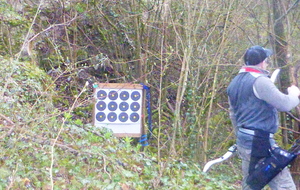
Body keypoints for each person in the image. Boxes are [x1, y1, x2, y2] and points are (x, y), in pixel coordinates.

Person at [227, 45, 300, 190]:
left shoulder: (234, 83)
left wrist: (240, 138)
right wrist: (294, 94)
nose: (267, 63)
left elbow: (233, 115)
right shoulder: (260, 81)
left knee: (251, 184)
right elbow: (284, 104)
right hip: (261, 143)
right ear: (262, 62)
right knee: (285, 186)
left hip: (245, 141)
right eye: (266, 60)